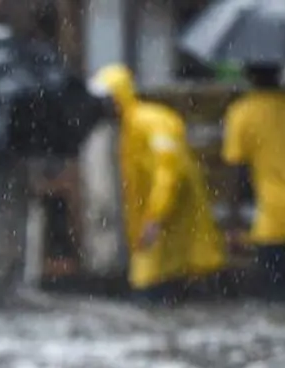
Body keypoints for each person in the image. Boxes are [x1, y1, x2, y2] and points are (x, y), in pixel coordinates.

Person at [88, 64, 228, 306]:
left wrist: (155, 217)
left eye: (107, 99)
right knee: (162, 294)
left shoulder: (151, 121)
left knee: (154, 292)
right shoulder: (129, 128)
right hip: (156, 231)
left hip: (170, 226)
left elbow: (168, 173)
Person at [222, 65, 285, 300]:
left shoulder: (242, 113)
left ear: (249, 74)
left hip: (273, 223)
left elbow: (235, 171)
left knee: (277, 300)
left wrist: (233, 224)